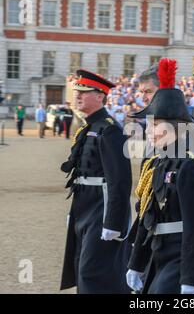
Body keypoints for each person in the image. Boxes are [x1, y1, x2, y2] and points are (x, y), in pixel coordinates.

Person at [126, 58, 194, 294]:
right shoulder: (159, 159)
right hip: (154, 242)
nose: (148, 131)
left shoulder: (187, 162)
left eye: (155, 125)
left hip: (178, 250)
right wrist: (136, 263)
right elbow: (149, 207)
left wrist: (192, 279)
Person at [60, 69, 132, 293]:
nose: (77, 96)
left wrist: (114, 222)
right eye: (76, 92)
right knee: (80, 264)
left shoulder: (110, 130)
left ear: (100, 96)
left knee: (93, 270)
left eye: (83, 92)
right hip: (84, 205)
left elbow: (119, 181)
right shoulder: (88, 127)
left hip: (101, 207)